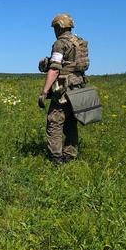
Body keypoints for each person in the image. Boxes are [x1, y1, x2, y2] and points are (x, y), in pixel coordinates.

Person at [38, 13, 89, 165]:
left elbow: (54, 69)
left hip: (63, 88)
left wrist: (44, 92)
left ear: (59, 27)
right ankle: (70, 154)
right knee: (71, 121)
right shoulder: (80, 42)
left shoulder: (60, 43)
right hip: (79, 85)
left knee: (55, 120)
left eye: (55, 27)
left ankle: (56, 157)